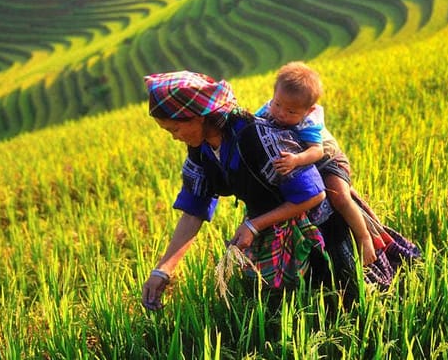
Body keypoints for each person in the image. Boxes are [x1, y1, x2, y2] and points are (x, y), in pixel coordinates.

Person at [140, 70, 420, 311]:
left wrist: (254, 224)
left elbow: (313, 194)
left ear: (199, 117)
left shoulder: (257, 137)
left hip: (320, 229)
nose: (175, 137)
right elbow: (194, 210)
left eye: (175, 128)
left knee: (350, 301)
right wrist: (163, 270)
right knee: (288, 309)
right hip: (274, 227)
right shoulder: (200, 151)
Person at [256, 61, 376, 266]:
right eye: (277, 105)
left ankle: (364, 237)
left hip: (328, 161)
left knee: (339, 196)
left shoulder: (309, 122)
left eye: (292, 112)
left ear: (308, 110)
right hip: (306, 167)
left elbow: (316, 151)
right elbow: (255, 124)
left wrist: (295, 160)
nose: (282, 113)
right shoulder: (272, 107)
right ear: (274, 95)